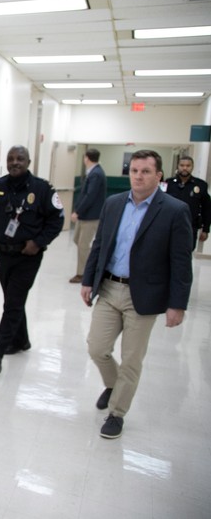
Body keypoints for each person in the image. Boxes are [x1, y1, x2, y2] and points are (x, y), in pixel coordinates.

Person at [80, 150, 193, 439]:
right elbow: (100, 244)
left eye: (145, 171)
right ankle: (113, 384)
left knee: (131, 359)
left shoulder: (174, 210)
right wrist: (88, 280)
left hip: (143, 296)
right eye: (134, 171)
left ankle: (116, 413)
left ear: (158, 176)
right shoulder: (114, 204)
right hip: (109, 287)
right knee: (97, 347)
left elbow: (181, 263)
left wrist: (177, 304)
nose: (138, 176)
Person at [0, 145, 64, 375]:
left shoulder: (42, 189)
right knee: (13, 300)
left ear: (28, 161)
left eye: (20, 158)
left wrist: (38, 242)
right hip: (3, 255)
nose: (14, 162)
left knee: (13, 302)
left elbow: (57, 221)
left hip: (28, 257)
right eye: (11, 158)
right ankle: (21, 341)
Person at [69, 148, 106, 283]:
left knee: (83, 244)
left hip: (90, 217)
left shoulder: (96, 174)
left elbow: (90, 196)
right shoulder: (93, 173)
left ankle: (83, 273)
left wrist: (78, 212)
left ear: (86, 158)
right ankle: (89, 268)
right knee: (78, 240)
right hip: (85, 215)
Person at [162, 155, 210, 250]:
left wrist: (206, 230)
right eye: (182, 165)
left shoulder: (201, 185)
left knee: (186, 254)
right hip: (169, 226)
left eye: (188, 166)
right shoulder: (168, 183)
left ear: (192, 167)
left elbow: (207, 208)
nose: (185, 168)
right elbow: (161, 203)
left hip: (190, 227)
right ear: (178, 166)